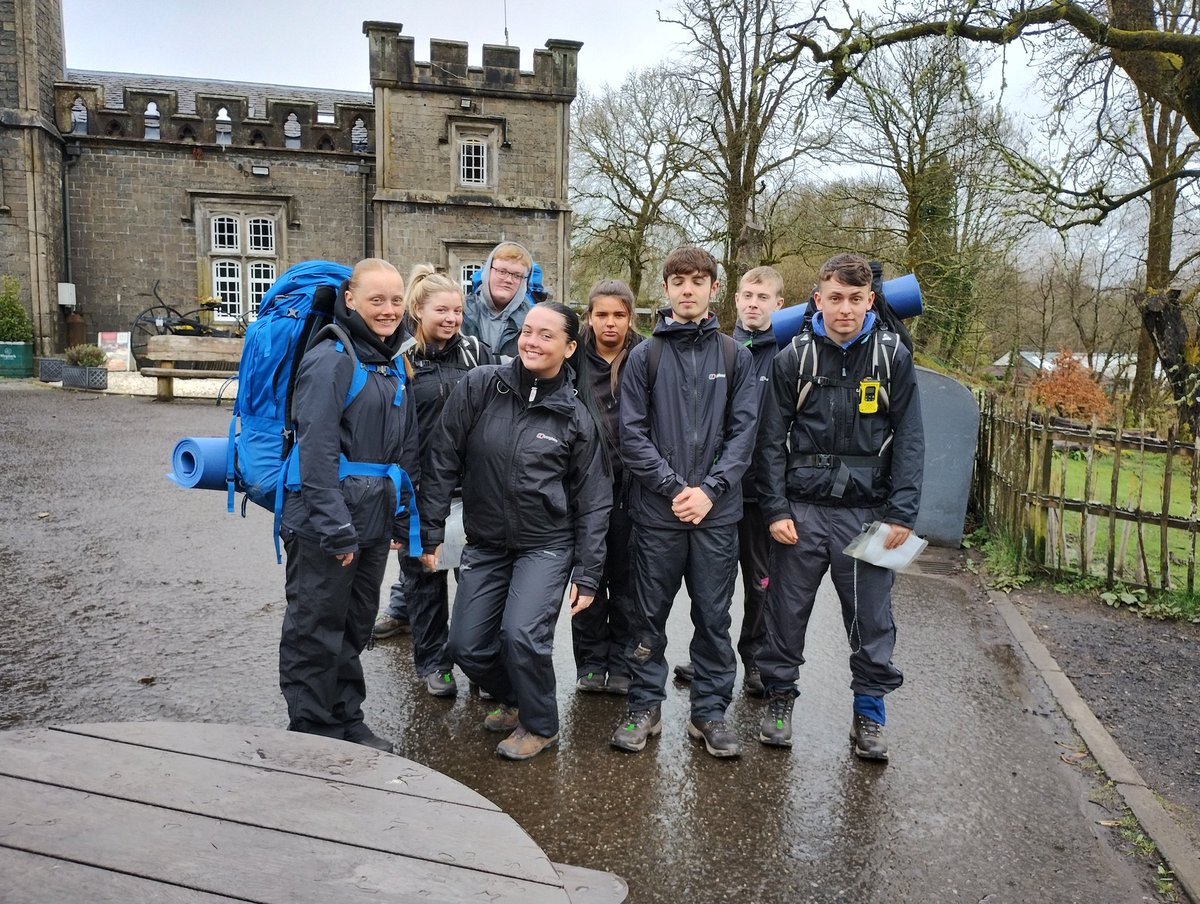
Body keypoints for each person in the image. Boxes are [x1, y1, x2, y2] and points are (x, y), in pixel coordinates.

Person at [420, 301, 612, 760]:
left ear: (569, 347)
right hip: (485, 540)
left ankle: (540, 724)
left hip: (545, 545)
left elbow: (593, 500)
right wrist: (428, 533)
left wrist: (587, 572)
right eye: (528, 331)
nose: (532, 341)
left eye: (547, 335)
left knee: (522, 635)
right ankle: (514, 698)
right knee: (466, 645)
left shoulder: (575, 416)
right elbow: (443, 457)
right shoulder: (481, 386)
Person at [754, 252, 923, 761]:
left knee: (871, 619)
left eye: (855, 299)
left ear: (870, 300)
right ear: (818, 300)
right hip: (801, 512)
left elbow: (911, 438)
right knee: (785, 613)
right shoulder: (794, 358)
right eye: (835, 298)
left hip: (868, 514)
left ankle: (869, 716)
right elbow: (769, 440)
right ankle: (779, 700)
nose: (844, 309)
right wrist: (775, 509)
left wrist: (901, 515)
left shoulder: (893, 358)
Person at [610, 246, 758, 759]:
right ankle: (644, 704)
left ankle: (710, 712)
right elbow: (631, 436)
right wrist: (676, 489)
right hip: (658, 512)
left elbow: (745, 435)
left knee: (714, 616)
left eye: (699, 280)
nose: (688, 289)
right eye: (679, 280)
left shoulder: (734, 356)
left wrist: (710, 491)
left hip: (717, 516)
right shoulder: (644, 356)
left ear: (714, 288)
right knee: (647, 613)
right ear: (666, 288)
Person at [278, 258, 420, 754]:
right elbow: (314, 449)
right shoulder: (332, 357)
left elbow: (401, 449)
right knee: (316, 622)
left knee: (356, 621)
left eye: (396, 300)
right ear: (351, 299)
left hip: (373, 518)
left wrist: (400, 516)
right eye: (376, 300)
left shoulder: (391, 359)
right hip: (326, 520)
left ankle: (345, 715)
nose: (387, 310)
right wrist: (334, 526)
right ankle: (314, 726)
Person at [374, 265, 497, 697]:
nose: (451, 318)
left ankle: (482, 664)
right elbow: (394, 431)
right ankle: (433, 662)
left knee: (476, 578)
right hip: (420, 487)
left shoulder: (477, 354)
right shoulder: (400, 359)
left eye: (458, 311)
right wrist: (405, 487)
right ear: (417, 311)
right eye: (441, 310)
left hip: (473, 488)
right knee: (424, 580)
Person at [674, 266, 785, 697]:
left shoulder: (789, 354)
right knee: (711, 583)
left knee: (760, 582)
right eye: (748, 295)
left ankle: (754, 657)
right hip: (715, 490)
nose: (754, 304)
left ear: (779, 303)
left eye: (763, 297)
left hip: (761, 492)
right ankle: (709, 657)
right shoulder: (716, 349)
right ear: (735, 299)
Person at [571, 279, 644, 695]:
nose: (610, 323)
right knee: (589, 578)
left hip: (632, 487)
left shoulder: (643, 356)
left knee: (628, 580)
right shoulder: (574, 356)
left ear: (630, 318)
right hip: (586, 486)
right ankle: (590, 661)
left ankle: (621, 660)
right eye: (602, 315)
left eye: (618, 315)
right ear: (590, 317)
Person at [462, 242, 535, 359]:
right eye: (502, 271)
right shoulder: (460, 312)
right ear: (488, 271)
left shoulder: (533, 321)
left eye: (517, 275)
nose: (508, 280)